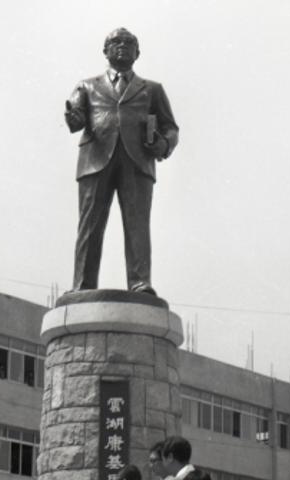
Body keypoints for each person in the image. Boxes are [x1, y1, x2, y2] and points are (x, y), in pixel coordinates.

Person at [65, 27, 179, 294]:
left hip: (137, 161)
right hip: (95, 160)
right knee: (89, 225)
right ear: (105, 51)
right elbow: (75, 116)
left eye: (129, 42)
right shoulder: (87, 86)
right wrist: (74, 117)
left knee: (138, 225)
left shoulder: (152, 90)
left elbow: (171, 128)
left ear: (137, 53)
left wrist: (161, 143)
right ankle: (83, 284)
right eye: (115, 42)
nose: (122, 46)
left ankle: (140, 282)